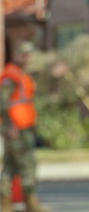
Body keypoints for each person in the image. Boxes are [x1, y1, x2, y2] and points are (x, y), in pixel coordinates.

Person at [1, 40, 49, 212]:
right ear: (16, 55)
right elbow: (3, 103)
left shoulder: (21, 74)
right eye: (23, 54)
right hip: (16, 129)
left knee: (11, 166)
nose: (27, 57)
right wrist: (10, 126)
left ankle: (5, 204)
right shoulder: (11, 76)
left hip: (22, 127)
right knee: (27, 164)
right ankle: (30, 202)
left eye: (29, 54)